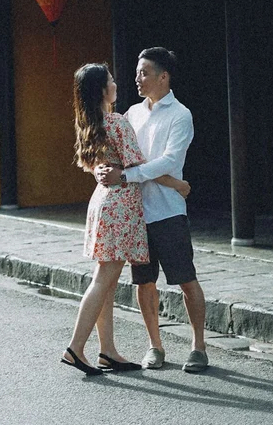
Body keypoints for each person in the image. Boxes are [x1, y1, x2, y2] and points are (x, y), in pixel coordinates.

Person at [61, 63, 190, 376]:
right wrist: (178, 184)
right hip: (120, 206)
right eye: (111, 80)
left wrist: (106, 172)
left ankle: (108, 351)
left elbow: (94, 165)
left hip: (102, 203)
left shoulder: (88, 123)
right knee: (104, 280)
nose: (116, 83)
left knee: (104, 281)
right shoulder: (117, 122)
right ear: (103, 90)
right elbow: (139, 166)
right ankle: (76, 347)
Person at [95, 47, 207, 373]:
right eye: (136, 73)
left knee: (186, 280)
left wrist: (133, 175)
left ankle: (198, 346)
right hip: (135, 211)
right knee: (144, 282)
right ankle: (154, 345)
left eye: (144, 73)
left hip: (169, 212)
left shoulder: (180, 115)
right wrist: (172, 181)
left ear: (163, 77)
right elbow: (120, 154)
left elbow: (168, 160)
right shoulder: (131, 113)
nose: (137, 78)